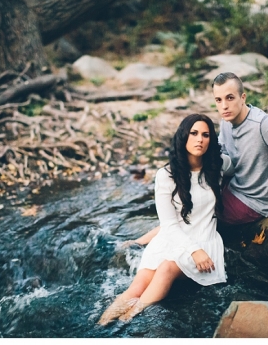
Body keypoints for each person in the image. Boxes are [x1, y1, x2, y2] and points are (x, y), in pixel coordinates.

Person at [131, 72, 268, 246]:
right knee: (186, 199)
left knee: (195, 215)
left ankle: (139, 245)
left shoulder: (264, 125)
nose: (224, 106)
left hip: (255, 201)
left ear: (243, 97)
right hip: (237, 185)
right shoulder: (227, 121)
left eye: (230, 98)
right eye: (218, 100)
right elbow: (226, 157)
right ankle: (142, 242)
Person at [97, 114, 234, 325]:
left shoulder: (219, 165)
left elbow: (245, 172)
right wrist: (192, 251)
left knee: (166, 269)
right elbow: (168, 224)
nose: (200, 139)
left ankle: (128, 318)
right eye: (194, 133)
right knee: (137, 285)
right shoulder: (166, 175)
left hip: (203, 240)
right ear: (183, 136)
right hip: (172, 239)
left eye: (206, 135)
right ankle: (101, 326)